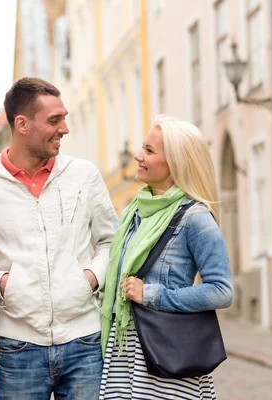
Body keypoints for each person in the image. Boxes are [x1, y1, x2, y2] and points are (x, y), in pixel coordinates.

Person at [0, 77, 118, 399]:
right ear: (22, 124)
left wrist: (88, 278)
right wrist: (5, 283)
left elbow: (111, 241)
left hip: (85, 340)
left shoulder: (84, 175)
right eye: (54, 120)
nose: (65, 129)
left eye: (64, 118)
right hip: (20, 347)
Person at [98, 115, 233, 399]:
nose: (138, 156)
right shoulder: (134, 212)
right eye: (141, 148)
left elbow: (221, 291)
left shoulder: (195, 218)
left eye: (149, 151)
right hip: (124, 351)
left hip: (165, 352)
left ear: (176, 162)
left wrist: (152, 294)